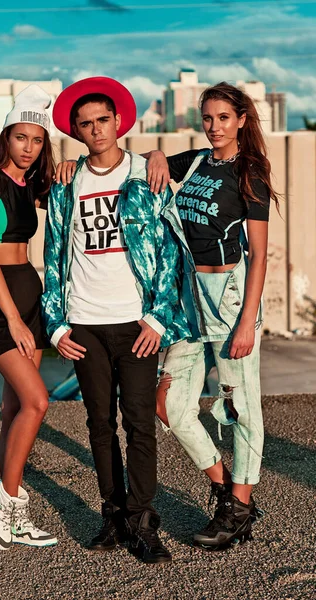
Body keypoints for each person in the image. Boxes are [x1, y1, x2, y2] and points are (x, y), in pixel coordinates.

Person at [41, 76, 189, 564]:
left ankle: (144, 521)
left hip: (136, 323)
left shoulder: (147, 175)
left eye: (103, 119)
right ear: (77, 132)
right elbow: (54, 253)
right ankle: (113, 516)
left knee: (140, 424)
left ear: (119, 121)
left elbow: (171, 251)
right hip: (83, 323)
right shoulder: (67, 183)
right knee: (98, 424)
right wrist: (57, 325)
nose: (96, 129)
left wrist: (158, 319)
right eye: (85, 124)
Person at [148, 82, 279, 550]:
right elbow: (153, 162)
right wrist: (158, 154)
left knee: (241, 405)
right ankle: (225, 487)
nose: (214, 127)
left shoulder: (251, 171)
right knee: (169, 405)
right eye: (207, 118)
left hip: (229, 294)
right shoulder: (200, 160)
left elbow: (260, 255)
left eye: (223, 117)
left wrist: (248, 321)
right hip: (189, 296)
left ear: (242, 119)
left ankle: (238, 508)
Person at [0, 84, 58, 551]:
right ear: (7, 136)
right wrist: (15, 321)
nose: (28, 147)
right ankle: (7, 502)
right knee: (37, 402)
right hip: (0, 296)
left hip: (29, 289)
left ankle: (8, 507)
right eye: (21, 137)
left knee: (14, 406)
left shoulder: (30, 184)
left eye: (37, 140)